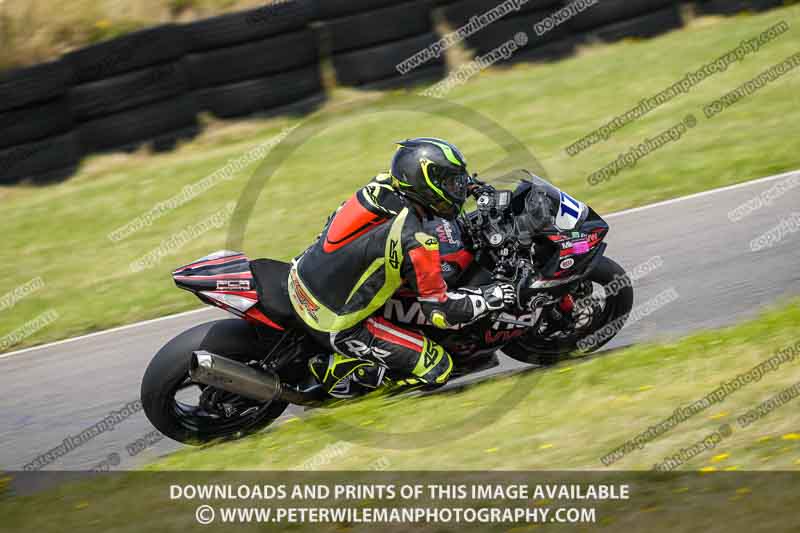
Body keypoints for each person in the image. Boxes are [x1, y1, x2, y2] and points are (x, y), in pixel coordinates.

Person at [287, 138, 516, 398]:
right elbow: (440, 311)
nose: (457, 188)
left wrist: (470, 187)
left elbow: (335, 217)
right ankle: (343, 372)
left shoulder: (382, 184)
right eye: (451, 183)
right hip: (334, 322)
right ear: (427, 186)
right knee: (438, 367)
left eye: (458, 180)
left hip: (300, 273)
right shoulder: (416, 240)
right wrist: (491, 297)